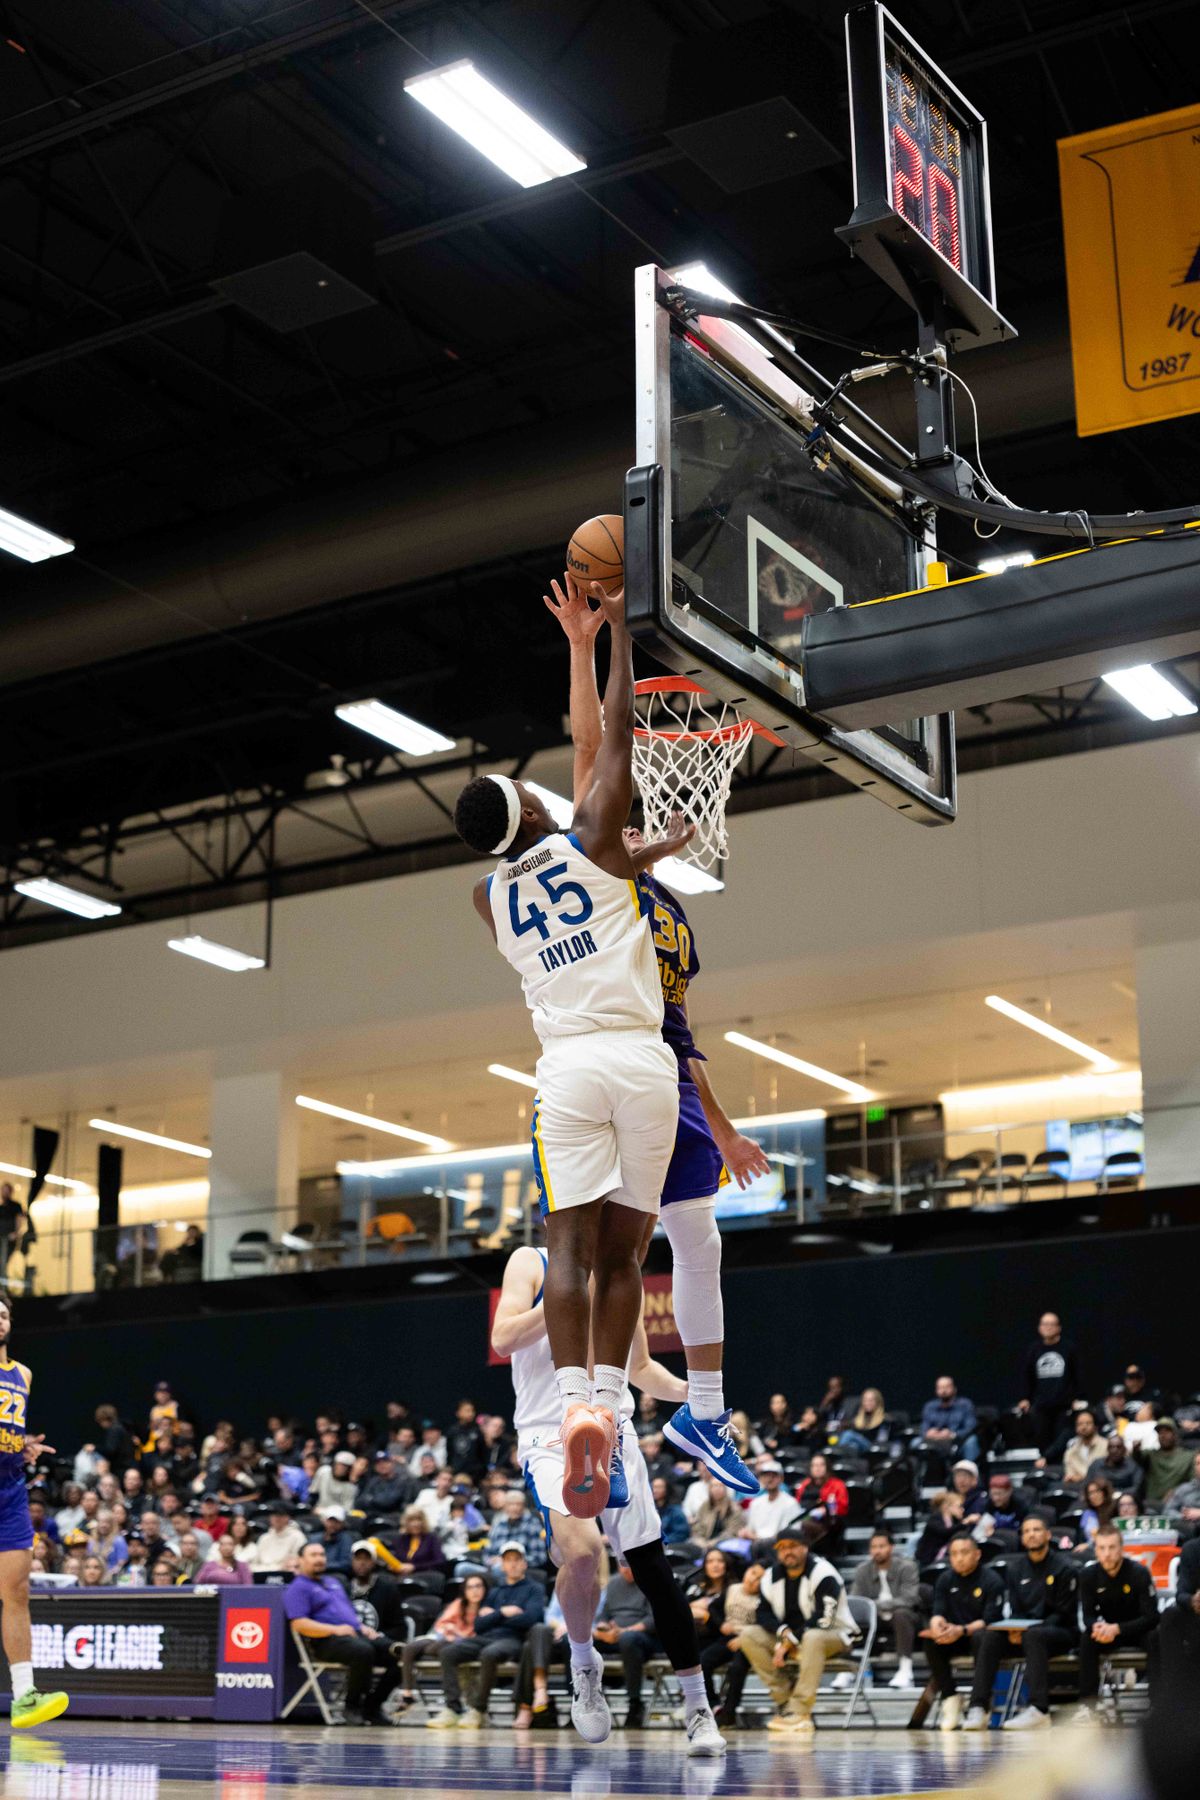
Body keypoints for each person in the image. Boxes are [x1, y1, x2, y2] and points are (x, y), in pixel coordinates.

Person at [455, 577, 678, 1521]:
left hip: (568, 1072)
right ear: (536, 815)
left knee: (570, 1252)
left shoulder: (488, 899)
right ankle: (617, 1408)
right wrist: (619, 636)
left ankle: (588, 1399)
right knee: (631, 1251)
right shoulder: (589, 838)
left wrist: (637, 854)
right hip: (641, 1059)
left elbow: (585, 769)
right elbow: (612, 740)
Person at [547, 574, 764, 1501]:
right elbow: (594, 741)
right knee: (605, 1254)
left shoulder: (669, 909)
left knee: (692, 1242)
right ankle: (606, 1422)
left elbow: (683, 1033)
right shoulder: (597, 870)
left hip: (660, 1072)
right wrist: (586, 644)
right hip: (603, 1070)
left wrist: (719, 1122)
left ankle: (702, 1414)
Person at [491, 1231, 725, 1753]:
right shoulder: (532, 1262)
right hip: (550, 1435)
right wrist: (566, 1296)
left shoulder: (620, 1270)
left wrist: (698, 1394)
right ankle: (583, 1664)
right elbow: (503, 1338)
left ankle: (698, 1708)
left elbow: (640, 1369)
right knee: (582, 1552)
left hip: (613, 1433)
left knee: (655, 1575)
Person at [0, 1300, 68, 1727]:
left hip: (8, 1489)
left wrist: (20, 1445)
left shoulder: (22, 1373)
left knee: (17, 1591)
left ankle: (24, 1693)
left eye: (4, 1314)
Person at [736, 1523, 858, 1737]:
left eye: (793, 1546)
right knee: (749, 1635)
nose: (787, 1552)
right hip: (791, 1638)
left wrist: (789, 1641)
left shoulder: (824, 1573)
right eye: (782, 1548)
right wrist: (784, 1634)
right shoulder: (771, 1576)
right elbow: (762, 1614)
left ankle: (800, 1711)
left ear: (805, 1548)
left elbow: (824, 1619)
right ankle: (785, 1700)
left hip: (835, 1635)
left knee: (812, 1637)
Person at [962, 1514, 1079, 1730]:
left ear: (1048, 1535)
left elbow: (1064, 1613)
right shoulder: (1015, 1569)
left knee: (1034, 1635)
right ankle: (979, 1707)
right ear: (1022, 1538)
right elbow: (1016, 1610)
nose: (1031, 1535)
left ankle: (1039, 1709)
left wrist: (1029, 1629)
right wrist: (1014, 1629)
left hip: (1060, 1632)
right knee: (985, 1635)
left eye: (1036, 1530)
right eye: (1026, 1531)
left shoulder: (1064, 1568)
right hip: (1025, 1631)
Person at [283, 1541, 404, 1725]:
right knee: (363, 1651)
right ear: (300, 1560)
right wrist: (335, 1629)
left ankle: (372, 1706)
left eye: (322, 1555)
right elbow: (299, 1624)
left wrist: (362, 1627)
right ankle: (351, 1706)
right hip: (325, 1641)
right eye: (313, 1555)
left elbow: (346, 1612)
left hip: (354, 1634)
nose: (319, 1559)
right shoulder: (297, 1588)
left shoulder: (334, 1582)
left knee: (401, 1655)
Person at [429, 1542, 543, 1728]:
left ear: (524, 1563)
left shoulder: (534, 1589)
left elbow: (532, 1618)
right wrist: (503, 1612)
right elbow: (479, 1624)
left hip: (513, 1639)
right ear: (502, 1565)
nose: (513, 1564)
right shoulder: (495, 1591)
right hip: (486, 1636)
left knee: (489, 1654)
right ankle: (453, 1708)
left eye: (517, 1560)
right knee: (448, 1652)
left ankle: (478, 1710)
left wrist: (493, 1616)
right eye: (508, 1560)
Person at [1073, 1523, 1159, 1722]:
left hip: (1137, 1629)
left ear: (1122, 1549)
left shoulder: (1139, 1572)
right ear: (1095, 1550)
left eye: (1112, 1547)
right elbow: (1087, 1615)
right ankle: (1088, 1705)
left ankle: (1157, 1705)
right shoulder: (1088, 1575)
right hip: (1108, 1632)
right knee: (1087, 1638)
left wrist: (1118, 1628)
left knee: (1156, 1637)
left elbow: (1152, 1616)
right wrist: (1096, 1626)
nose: (1107, 1553)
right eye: (1102, 1548)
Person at [921, 1532, 1006, 1731]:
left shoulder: (992, 1580)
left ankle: (979, 1705)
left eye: (965, 1552)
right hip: (954, 1636)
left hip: (982, 1637)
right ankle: (950, 1697)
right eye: (954, 1553)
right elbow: (938, 1612)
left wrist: (963, 1630)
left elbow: (990, 1620)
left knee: (982, 1636)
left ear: (977, 1554)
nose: (959, 1558)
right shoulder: (944, 1579)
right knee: (930, 1640)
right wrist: (937, 1625)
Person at [399, 1571, 487, 1708]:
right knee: (409, 1648)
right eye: (470, 1587)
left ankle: (453, 1702)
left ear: (484, 1589)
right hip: (440, 1637)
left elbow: (478, 1637)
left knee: (441, 1647)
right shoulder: (459, 1604)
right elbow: (440, 1624)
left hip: (460, 1644)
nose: (474, 1591)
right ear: (464, 1591)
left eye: (478, 1586)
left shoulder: (486, 1610)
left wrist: (457, 1633)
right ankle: (407, 1695)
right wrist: (449, 1628)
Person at [850, 1528, 922, 1689]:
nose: (877, 1551)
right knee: (851, 1617)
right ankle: (849, 1668)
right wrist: (875, 1607)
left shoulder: (907, 1567)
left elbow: (910, 1598)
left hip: (905, 1616)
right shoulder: (863, 1570)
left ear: (891, 1547)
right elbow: (856, 1601)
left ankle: (905, 1669)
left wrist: (878, 1605)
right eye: (874, 1547)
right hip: (875, 1617)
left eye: (881, 1546)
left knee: (901, 1614)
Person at [709, 1560, 765, 1726]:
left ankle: (729, 1712)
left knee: (737, 1668)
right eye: (753, 1573)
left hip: (748, 1641)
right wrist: (721, 1624)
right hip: (728, 1637)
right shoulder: (733, 1589)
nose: (753, 1579)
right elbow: (713, 1607)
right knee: (703, 1661)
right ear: (747, 1570)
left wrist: (744, 1639)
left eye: (760, 1579)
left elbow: (765, 1625)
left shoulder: (763, 1599)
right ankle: (713, 1705)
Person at [1017, 1312, 1082, 1451]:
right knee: (1041, 1440)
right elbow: (1026, 1375)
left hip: (1063, 1405)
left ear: (1059, 1328)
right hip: (1041, 1405)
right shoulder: (1033, 1349)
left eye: (1052, 1324)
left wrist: (1076, 1398)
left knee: (1061, 1441)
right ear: (1039, 1328)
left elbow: (1077, 1375)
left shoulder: (1068, 1348)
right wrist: (1024, 1398)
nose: (1048, 1327)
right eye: (1045, 1324)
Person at [1157, 1535, 1200, 1703]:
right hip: (1197, 1618)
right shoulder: (1192, 1549)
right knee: (1170, 1617)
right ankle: (1171, 1699)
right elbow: (1181, 1594)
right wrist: (1192, 1600)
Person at [920, 1376, 981, 1475]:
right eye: (940, 1388)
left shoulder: (965, 1404)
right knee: (915, 1443)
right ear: (936, 1390)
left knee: (972, 1442)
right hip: (935, 1441)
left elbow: (971, 1426)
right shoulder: (929, 1406)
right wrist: (928, 1433)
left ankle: (970, 1476)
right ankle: (917, 1482)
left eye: (947, 1387)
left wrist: (952, 1434)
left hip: (957, 1441)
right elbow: (924, 1427)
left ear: (954, 1389)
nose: (943, 1390)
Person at [741, 1460, 802, 1551]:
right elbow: (750, 1529)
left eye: (774, 1476)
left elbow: (790, 1534)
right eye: (766, 1476)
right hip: (756, 1545)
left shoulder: (790, 1503)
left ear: (781, 1479)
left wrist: (756, 1538)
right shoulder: (756, 1503)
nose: (769, 1479)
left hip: (779, 1547)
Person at [1137, 1416, 1194, 1507]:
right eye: (1160, 1432)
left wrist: (1176, 1491)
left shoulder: (1188, 1456)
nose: (1163, 1435)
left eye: (1167, 1431)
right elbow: (1137, 1457)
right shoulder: (1150, 1455)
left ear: (1175, 1434)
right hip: (1152, 1504)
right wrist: (1135, 1449)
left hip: (1178, 1503)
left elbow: (1193, 1482)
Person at [1087, 1432, 1144, 1499]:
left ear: (1124, 1449)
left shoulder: (1133, 1466)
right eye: (1111, 1447)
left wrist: (1116, 1494)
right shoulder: (1096, 1465)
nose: (1114, 1450)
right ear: (1107, 1449)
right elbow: (1086, 1485)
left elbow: (1137, 1489)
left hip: (1124, 1501)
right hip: (1099, 1501)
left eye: (1118, 1447)